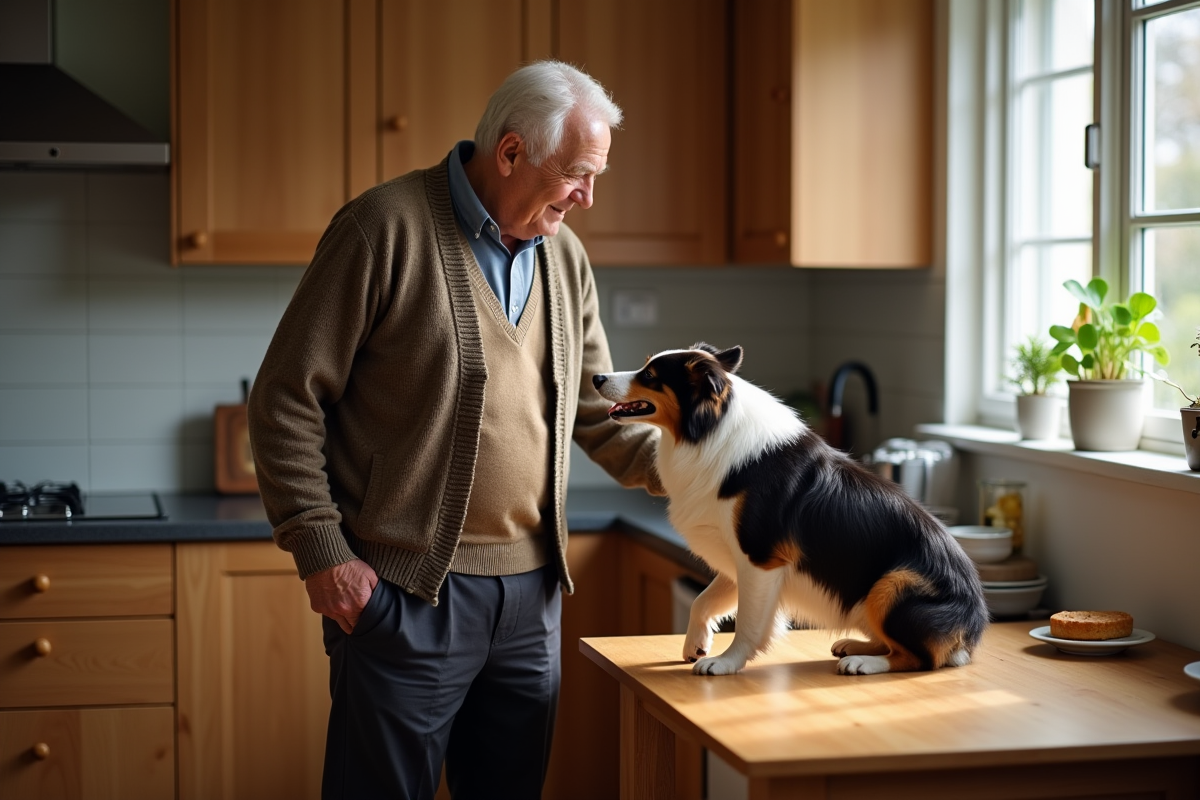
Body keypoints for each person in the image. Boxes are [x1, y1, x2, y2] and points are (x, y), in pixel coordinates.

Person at [247, 60, 663, 800]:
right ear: (511, 152)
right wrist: (322, 552)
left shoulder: (566, 257)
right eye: (577, 174)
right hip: (406, 594)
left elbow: (597, 413)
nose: (588, 197)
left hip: (531, 598)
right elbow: (284, 400)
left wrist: (722, 470)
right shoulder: (383, 229)